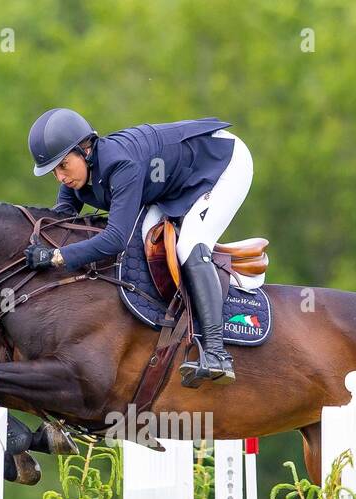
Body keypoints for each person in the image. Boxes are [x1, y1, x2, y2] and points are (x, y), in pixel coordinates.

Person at [25, 108, 254, 385]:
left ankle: (218, 353)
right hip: (171, 184)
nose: (60, 177)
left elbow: (114, 240)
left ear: (85, 149)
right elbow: (64, 218)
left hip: (222, 163)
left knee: (190, 243)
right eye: (54, 171)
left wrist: (56, 257)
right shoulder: (78, 173)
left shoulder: (121, 165)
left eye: (62, 166)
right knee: (148, 236)